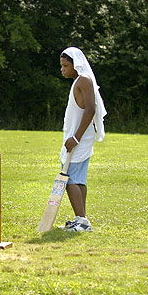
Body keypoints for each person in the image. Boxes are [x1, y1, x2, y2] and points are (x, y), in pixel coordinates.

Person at [58, 47, 106, 232]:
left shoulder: (84, 80)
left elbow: (91, 109)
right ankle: (81, 219)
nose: (62, 69)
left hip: (79, 138)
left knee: (69, 179)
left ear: (75, 64)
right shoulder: (79, 80)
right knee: (78, 179)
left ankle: (82, 221)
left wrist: (76, 138)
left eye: (65, 65)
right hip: (76, 137)